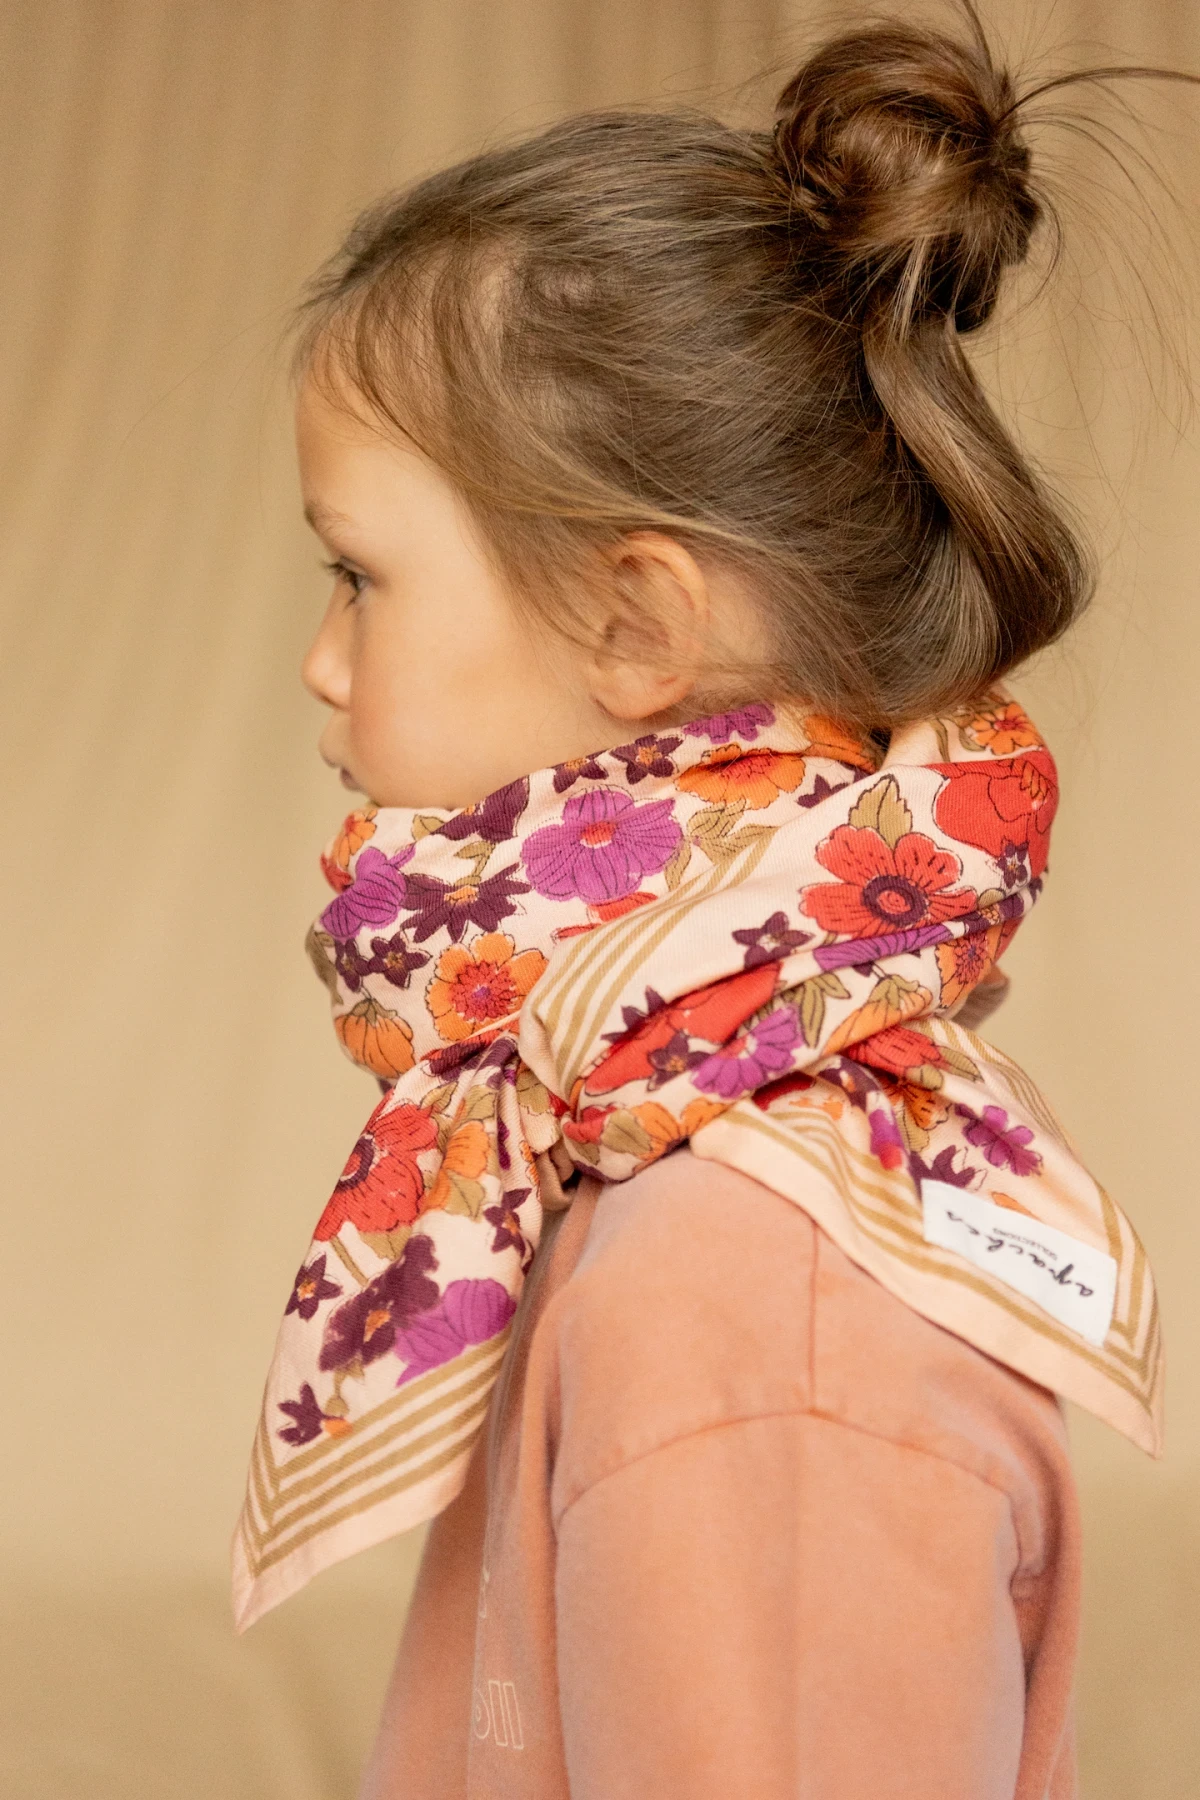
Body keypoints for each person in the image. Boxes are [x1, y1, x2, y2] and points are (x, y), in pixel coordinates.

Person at [233, 9, 1176, 1795]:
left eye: (360, 576)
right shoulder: (655, 1152)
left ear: (636, 623)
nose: (321, 664)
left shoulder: (751, 1308)